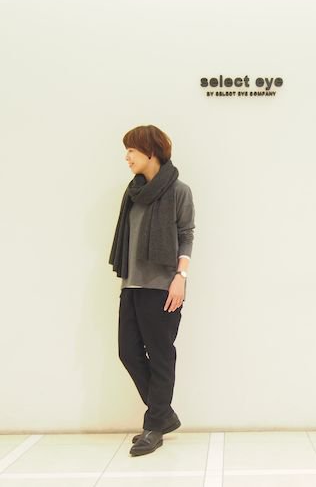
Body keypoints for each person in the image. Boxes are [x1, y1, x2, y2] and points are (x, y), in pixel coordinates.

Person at [108, 124, 195, 457]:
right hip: (131, 284)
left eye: (131, 150)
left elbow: (186, 234)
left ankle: (154, 427)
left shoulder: (179, 191)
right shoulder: (133, 193)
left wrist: (180, 277)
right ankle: (163, 414)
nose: (127, 157)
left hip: (162, 286)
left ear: (151, 152)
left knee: (160, 356)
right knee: (128, 352)